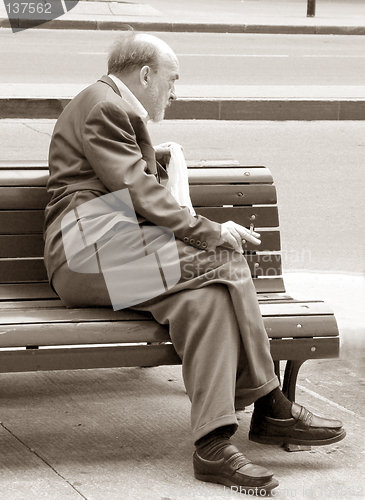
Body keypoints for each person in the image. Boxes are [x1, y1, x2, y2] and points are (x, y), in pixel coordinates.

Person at [44, 31, 346, 495]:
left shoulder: (105, 104)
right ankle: (270, 403)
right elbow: (138, 193)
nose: (175, 92)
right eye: (172, 80)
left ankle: (212, 444)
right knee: (227, 259)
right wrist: (211, 231)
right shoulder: (104, 105)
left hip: (114, 247)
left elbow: (124, 185)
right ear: (145, 75)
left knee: (205, 301)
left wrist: (155, 160)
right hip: (86, 253)